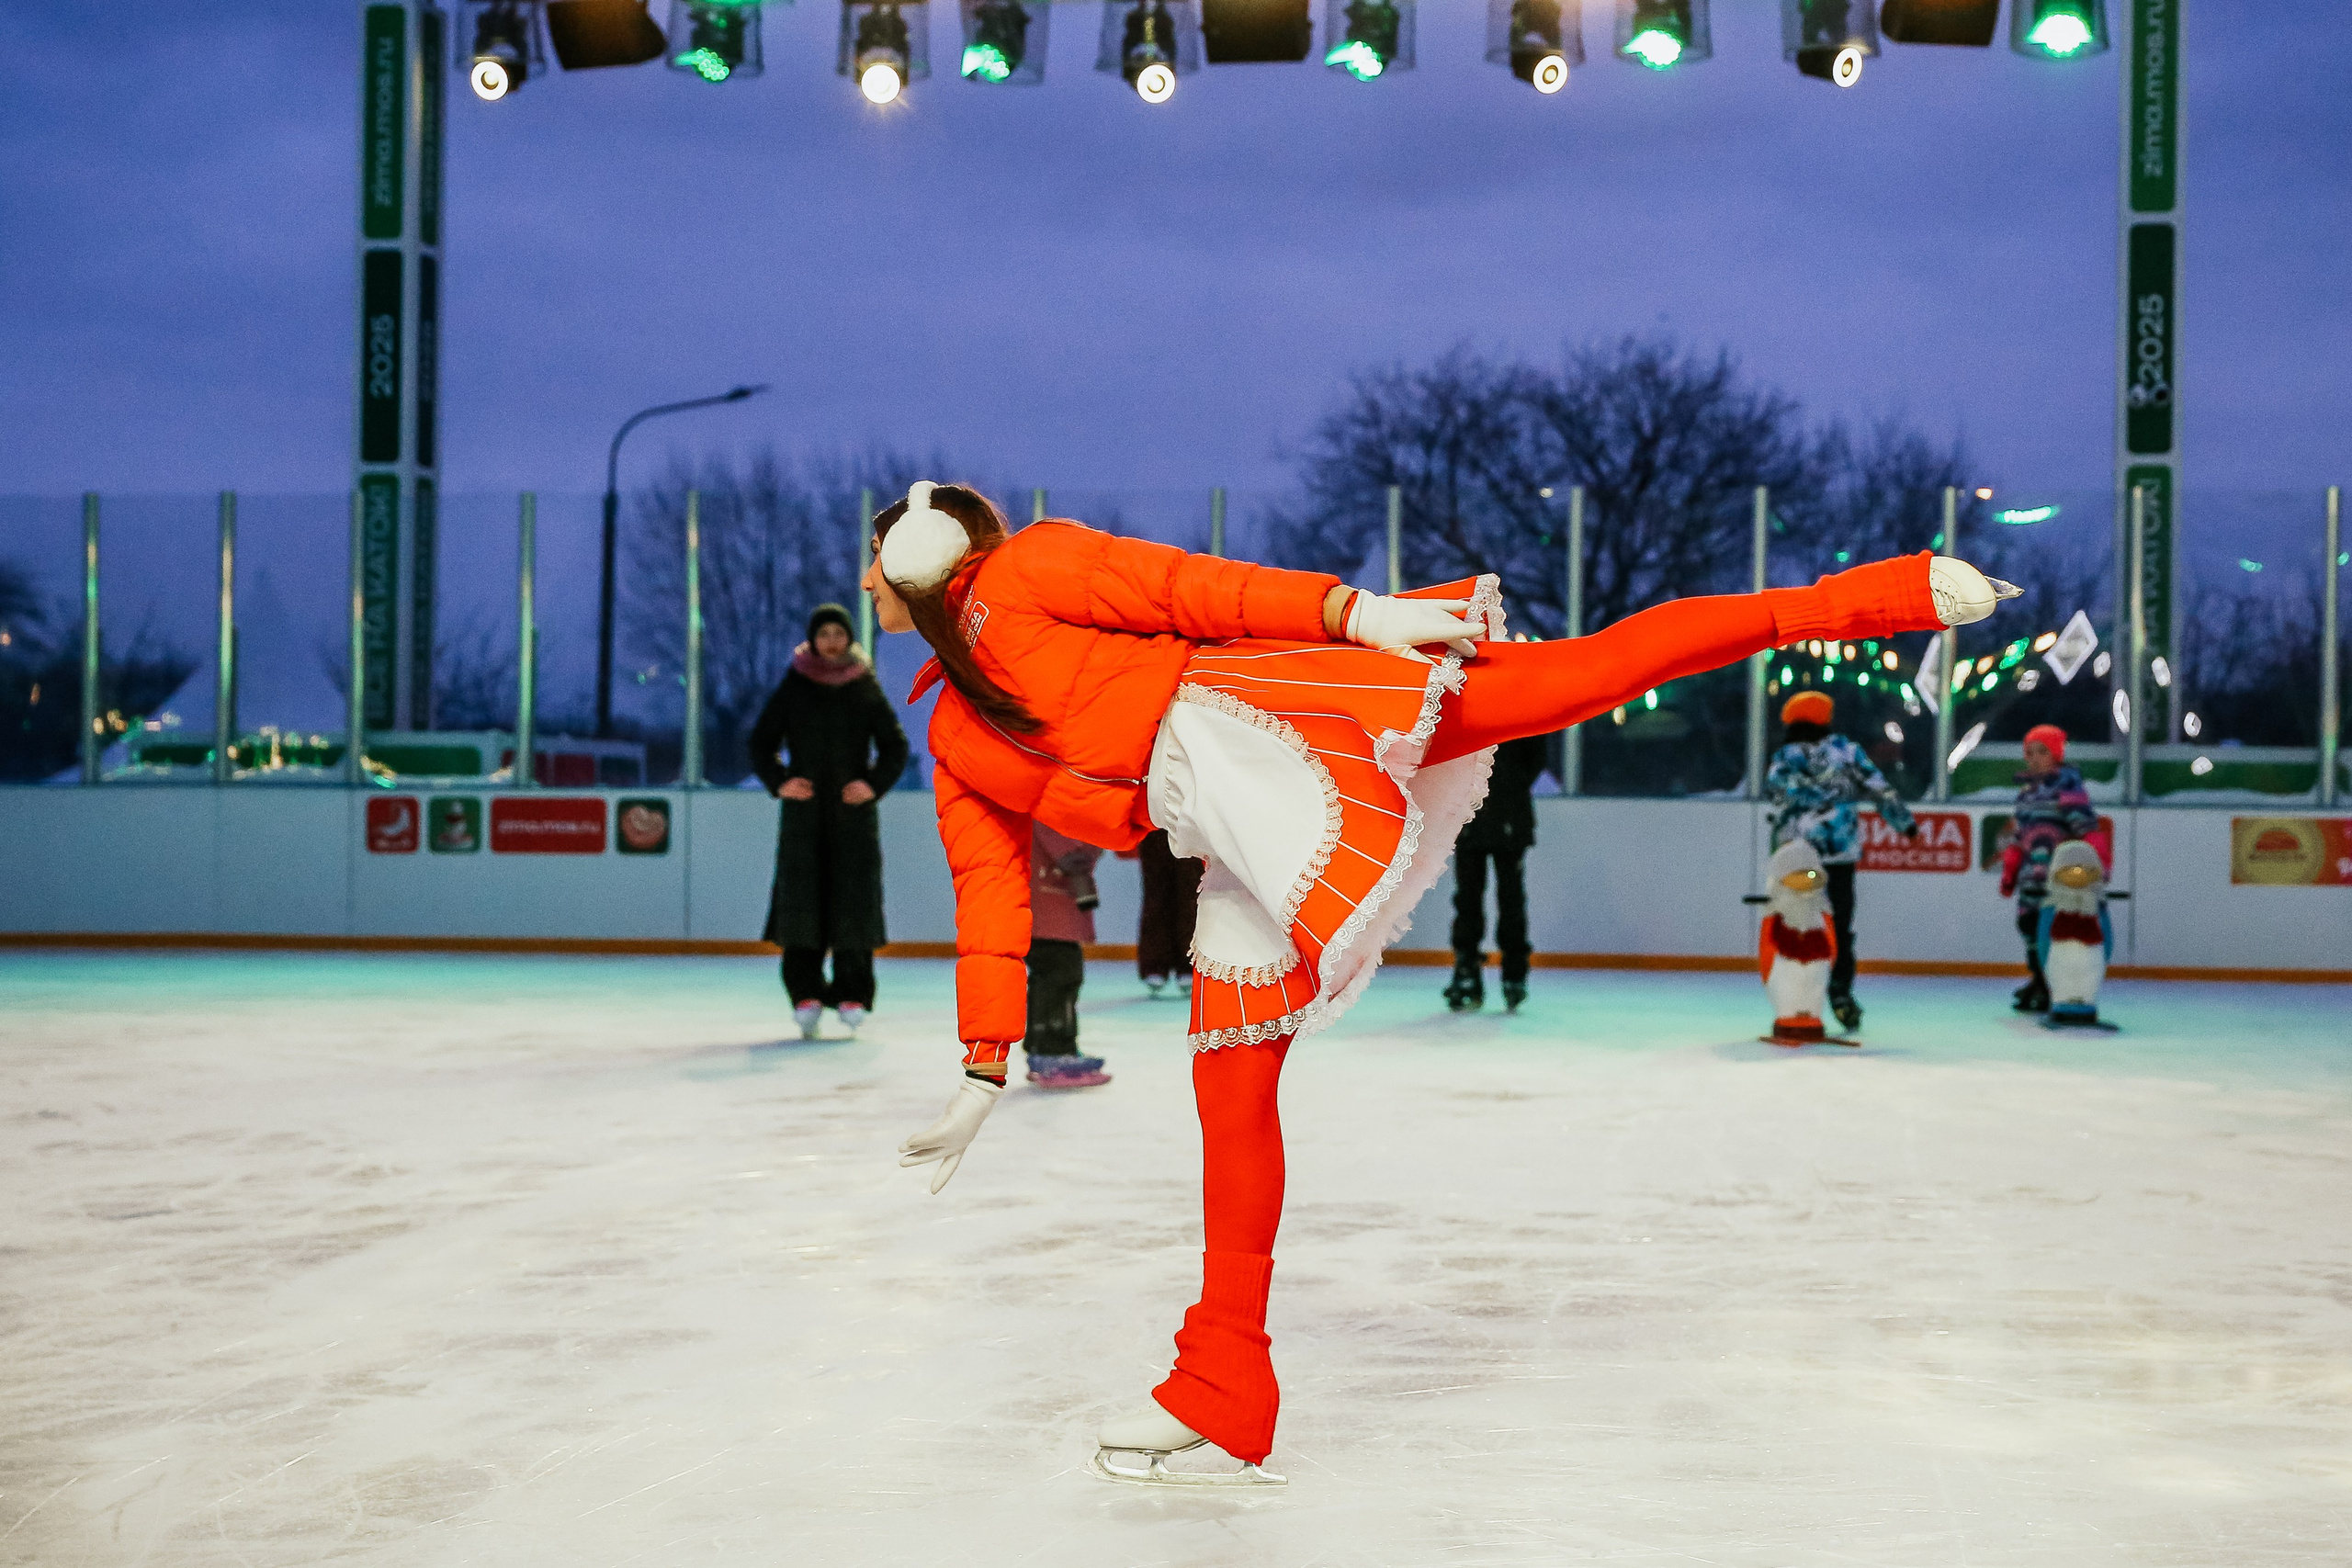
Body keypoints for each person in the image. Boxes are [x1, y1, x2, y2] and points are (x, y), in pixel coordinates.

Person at [871, 481, 2013, 1483]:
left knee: (1595, 667)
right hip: (1228, 834)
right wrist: (983, 1066)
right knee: (1229, 1097)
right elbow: (989, 892)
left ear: (916, 558)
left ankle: (1875, 593)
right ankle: (1220, 1386)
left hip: (1290, 711)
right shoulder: (956, 731)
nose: (867, 585)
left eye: (872, 563)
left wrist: (1358, 614)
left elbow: (1196, 589)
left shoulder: (1030, 566)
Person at [746, 604, 909, 1039]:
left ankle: (853, 991)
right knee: (803, 904)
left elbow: (895, 747)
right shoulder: (794, 686)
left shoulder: (864, 687)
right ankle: (805, 993)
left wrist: (872, 785)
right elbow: (761, 743)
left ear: (849, 638)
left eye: (839, 633)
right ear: (813, 639)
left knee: (852, 904)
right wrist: (780, 782)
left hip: (853, 819)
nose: (832, 641)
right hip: (805, 819)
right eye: (824, 634)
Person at [1762, 690, 1917, 1032]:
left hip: (1797, 858)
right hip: (1839, 853)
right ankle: (1840, 993)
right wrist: (1904, 823)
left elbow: (1775, 798)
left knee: (1795, 923)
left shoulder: (1785, 756)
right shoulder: (1847, 751)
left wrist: (1780, 848)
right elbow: (1879, 789)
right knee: (1840, 927)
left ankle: (1796, 994)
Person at [1998, 722, 2101, 1014]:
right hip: (2032, 876)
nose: (2033, 758)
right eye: (2029, 752)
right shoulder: (2026, 794)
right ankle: (2039, 978)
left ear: (2056, 754)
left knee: (2051, 930)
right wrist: (2011, 870)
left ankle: (2052, 983)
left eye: (2042, 752)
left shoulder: (2068, 787)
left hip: (2060, 879)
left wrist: (2098, 862)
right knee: (2028, 926)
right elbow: (2022, 837)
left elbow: (2086, 828)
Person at [1444, 732, 1548, 1013]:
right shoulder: (1476, 707)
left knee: (1506, 899)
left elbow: (1536, 757)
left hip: (1501, 814)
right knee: (1472, 899)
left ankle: (1507, 972)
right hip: (1479, 815)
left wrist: (1506, 787)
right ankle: (1476, 971)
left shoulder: (1519, 711)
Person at [1026, 823, 1113, 1088]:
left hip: (1050, 908)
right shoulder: (1049, 810)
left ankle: (1052, 1048)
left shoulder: (1050, 806)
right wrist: (1097, 837)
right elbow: (1070, 854)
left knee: (1059, 975)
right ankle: (1052, 1051)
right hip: (1047, 910)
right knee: (1059, 976)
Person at [1130, 829, 1202, 997]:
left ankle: (1189, 962)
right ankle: (1155, 963)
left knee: (1192, 890)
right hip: (1153, 822)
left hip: (1191, 820)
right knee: (1156, 890)